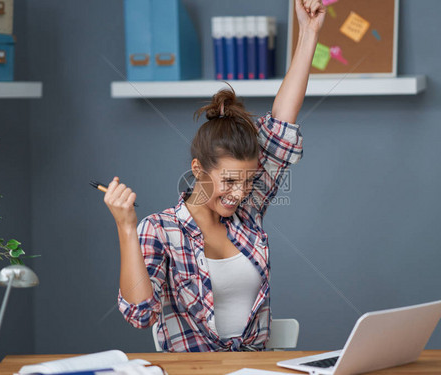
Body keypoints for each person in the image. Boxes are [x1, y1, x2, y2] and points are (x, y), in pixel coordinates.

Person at [104, 0, 327, 352]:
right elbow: (140, 314)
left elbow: (283, 121)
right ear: (198, 170)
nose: (239, 193)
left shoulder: (247, 214)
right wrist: (126, 228)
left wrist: (309, 32)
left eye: (249, 181)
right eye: (229, 181)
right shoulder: (160, 230)